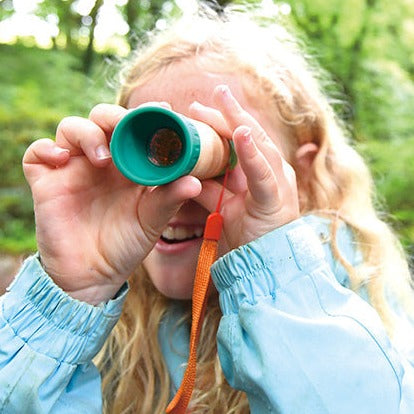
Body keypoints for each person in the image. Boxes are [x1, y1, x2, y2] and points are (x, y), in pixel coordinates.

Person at [1, 5, 414, 414]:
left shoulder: (349, 288)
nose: (179, 193)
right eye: (157, 155)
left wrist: (277, 275)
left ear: (302, 176)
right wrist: (70, 297)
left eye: (223, 159)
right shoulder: (112, 319)